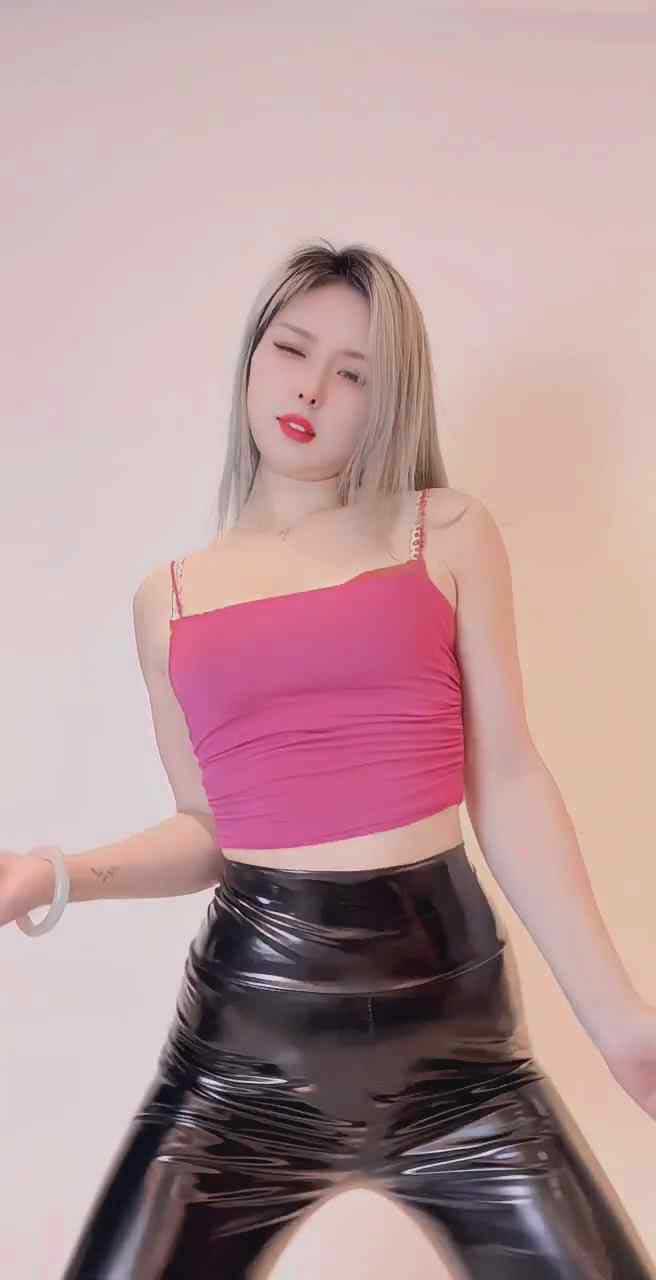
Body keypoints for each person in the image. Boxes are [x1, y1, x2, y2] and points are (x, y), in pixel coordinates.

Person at [4, 239, 655, 1278]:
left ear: (390, 400)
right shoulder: (170, 598)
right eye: (291, 348)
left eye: (353, 372)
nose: (309, 387)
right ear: (251, 358)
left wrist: (618, 1021)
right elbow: (211, 830)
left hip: (459, 1060)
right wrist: (54, 874)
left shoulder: (442, 532)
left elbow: (507, 780)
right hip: (242, 1060)